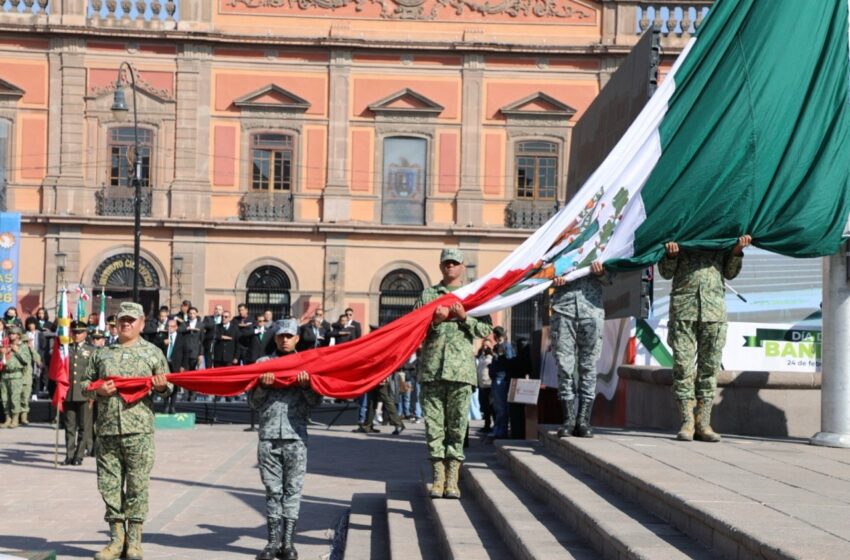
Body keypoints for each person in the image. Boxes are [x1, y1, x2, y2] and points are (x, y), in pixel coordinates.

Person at [81, 301, 172, 560]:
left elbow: (169, 388)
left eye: (131, 320)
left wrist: (161, 386)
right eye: (122, 320)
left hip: (139, 430)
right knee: (108, 485)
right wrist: (97, 390)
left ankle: (134, 541)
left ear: (141, 323)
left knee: (137, 485)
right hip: (108, 428)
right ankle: (115, 540)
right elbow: (85, 383)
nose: (126, 324)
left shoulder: (152, 353)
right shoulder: (102, 354)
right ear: (116, 323)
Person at [415, 248, 492, 499]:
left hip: (460, 372)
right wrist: (435, 323)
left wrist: (463, 318)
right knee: (434, 427)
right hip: (432, 371)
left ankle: (452, 479)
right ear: (440, 267)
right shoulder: (428, 295)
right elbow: (414, 330)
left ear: (462, 267)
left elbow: (484, 330)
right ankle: (437, 477)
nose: (450, 267)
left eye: (454, 263)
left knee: (458, 427)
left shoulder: (472, 295)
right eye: (446, 263)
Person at [659, 235, 750, 442]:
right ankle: (687, 421)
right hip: (684, 309)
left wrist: (736, 251)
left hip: (713, 311)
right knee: (682, 367)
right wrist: (671, 255)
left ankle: (703, 422)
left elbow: (730, 272)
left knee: (709, 368)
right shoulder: (682, 232)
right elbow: (665, 272)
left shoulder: (720, 235)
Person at [249, 318, 322, 560]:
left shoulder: (305, 364)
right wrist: (263, 387)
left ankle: (288, 542)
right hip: (269, 436)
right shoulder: (263, 364)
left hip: (295, 436)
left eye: (289, 336)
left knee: (293, 490)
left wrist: (305, 386)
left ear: (297, 338)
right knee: (272, 490)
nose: (284, 339)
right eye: (281, 336)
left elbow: (315, 402)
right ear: (276, 337)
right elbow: (253, 403)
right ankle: (272, 542)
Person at [550, 261, 609, 438]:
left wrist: (600, 273)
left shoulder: (600, 242)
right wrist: (552, 276)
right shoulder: (562, 244)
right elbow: (544, 272)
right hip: (563, 309)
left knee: (589, 366)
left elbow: (611, 277)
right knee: (564, 365)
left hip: (591, 310)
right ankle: (568, 419)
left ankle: (583, 420)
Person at [62, 321, 95, 465]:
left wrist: (93, 393)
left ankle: (79, 455)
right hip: (68, 393)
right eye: (74, 332)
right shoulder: (65, 349)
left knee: (84, 426)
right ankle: (69, 454)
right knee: (69, 426)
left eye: (79, 332)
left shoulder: (92, 350)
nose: (76, 335)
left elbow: (95, 374)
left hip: (84, 393)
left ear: (85, 334)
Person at [0, 326, 32, 429]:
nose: (11, 335)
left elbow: (26, 360)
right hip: (5, 374)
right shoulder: (5, 345)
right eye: (10, 334)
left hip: (16, 375)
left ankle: (15, 419)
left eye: (13, 334)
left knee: (15, 398)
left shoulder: (22, 346)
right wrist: (2, 353)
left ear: (18, 335)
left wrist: (17, 351)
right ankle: (7, 418)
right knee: (4, 398)